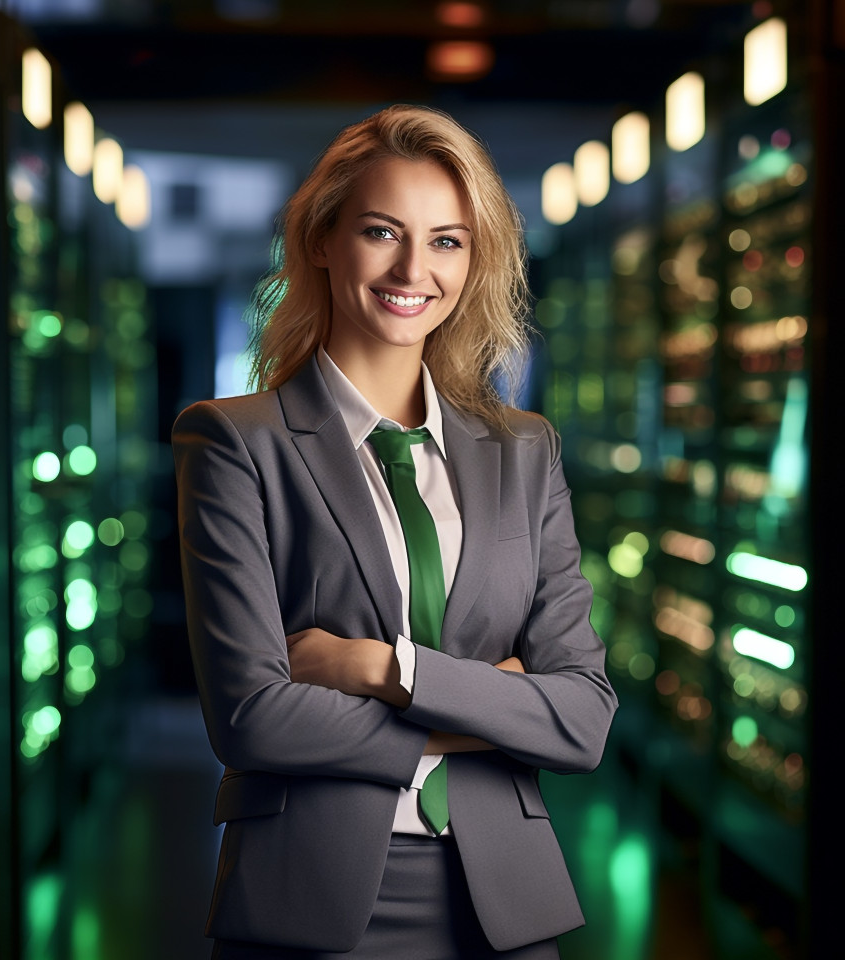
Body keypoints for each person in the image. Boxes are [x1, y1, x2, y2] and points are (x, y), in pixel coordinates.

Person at [173, 104, 618, 959]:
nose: (415, 269)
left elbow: (582, 718)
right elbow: (254, 719)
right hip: (307, 899)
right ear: (321, 239)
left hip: (507, 904)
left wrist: (385, 670)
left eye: (447, 241)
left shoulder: (526, 451)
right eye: (382, 231)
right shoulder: (234, 442)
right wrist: (498, 704)